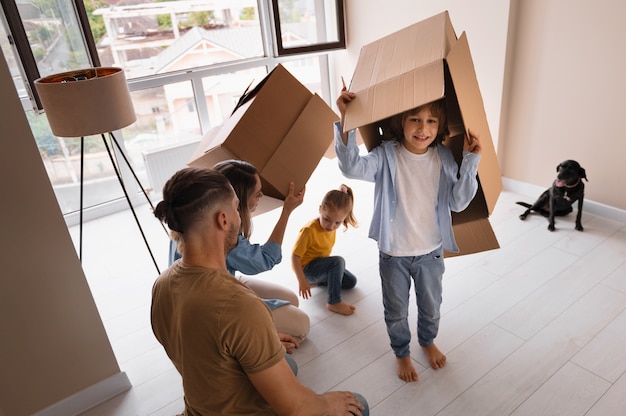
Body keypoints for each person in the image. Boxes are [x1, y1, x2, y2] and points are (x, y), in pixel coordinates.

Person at [152, 167, 369, 415]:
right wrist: (328, 403)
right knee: (358, 404)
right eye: (236, 208)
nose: (240, 215)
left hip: (200, 407)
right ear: (223, 220)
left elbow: (202, 347)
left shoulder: (162, 284)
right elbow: (296, 407)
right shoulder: (240, 305)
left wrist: (260, 339)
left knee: (286, 363)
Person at [335, 87, 482, 382]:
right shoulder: (386, 155)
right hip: (394, 255)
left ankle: (427, 341)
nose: (423, 128)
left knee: (431, 308)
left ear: (439, 127)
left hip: (431, 252)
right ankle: (401, 352)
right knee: (396, 311)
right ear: (401, 121)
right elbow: (352, 168)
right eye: (415, 119)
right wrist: (346, 118)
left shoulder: (443, 157)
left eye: (431, 121)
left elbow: (458, 202)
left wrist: (470, 162)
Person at [169, 160, 310, 346]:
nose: (262, 195)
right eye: (257, 193)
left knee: (291, 299)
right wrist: (287, 211)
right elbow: (265, 260)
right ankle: (250, 338)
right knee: (302, 324)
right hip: (215, 304)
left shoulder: (193, 215)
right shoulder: (222, 232)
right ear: (237, 202)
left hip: (222, 282)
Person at [291, 184, 359, 316]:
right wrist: (302, 280)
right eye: (327, 219)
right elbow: (294, 257)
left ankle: (319, 281)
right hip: (306, 270)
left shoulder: (331, 226)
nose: (331, 226)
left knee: (351, 282)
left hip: (319, 266)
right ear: (320, 209)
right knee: (338, 261)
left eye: (337, 223)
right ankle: (333, 301)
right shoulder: (309, 230)